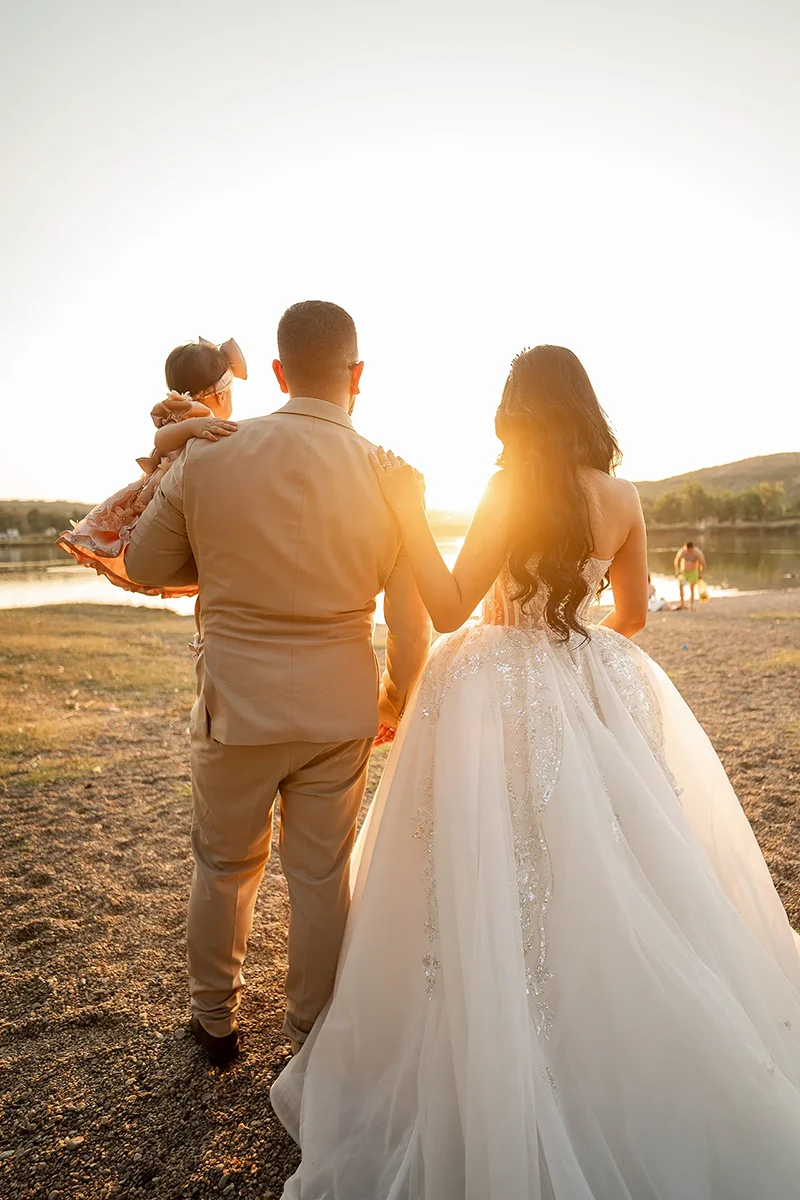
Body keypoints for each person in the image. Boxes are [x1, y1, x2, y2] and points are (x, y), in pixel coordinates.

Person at [270, 345, 800, 1199]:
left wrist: (409, 510)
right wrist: (572, 661)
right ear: (585, 406)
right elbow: (631, 613)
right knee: (604, 852)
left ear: (514, 411)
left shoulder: (508, 490)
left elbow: (448, 609)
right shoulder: (623, 496)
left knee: (487, 857)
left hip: (488, 686)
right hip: (586, 675)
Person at [124, 301, 431, 1066]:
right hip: (340, 706)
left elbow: (143, 565)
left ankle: (215, 1022)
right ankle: (311, 1030)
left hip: (236, 705)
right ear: (357, 375)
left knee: (225, 864)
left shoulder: (213, 452)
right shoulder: (389, 477)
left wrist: (218, 554)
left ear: (280, 372)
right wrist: (396, 692)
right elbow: (412, 622)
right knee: (320, 874)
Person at [56, 337, 245, 597]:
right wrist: (192, 427)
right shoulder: (193, 414)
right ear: (222, 394)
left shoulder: (202, 419)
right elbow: (161, 438)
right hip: (166, 494)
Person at [674, 539, 706, 610]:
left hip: (693, 573)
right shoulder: (683, 551)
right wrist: (678, 571)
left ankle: (691, 605)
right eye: (687, 550)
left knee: (692, 588)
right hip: (684, 573)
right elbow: (677, 560)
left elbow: (703, 563)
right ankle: (682, 604)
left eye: (689, 550)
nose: (688, 552)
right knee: (681, 587)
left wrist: (701, 574)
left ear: (692, 548)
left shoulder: (697, 553)